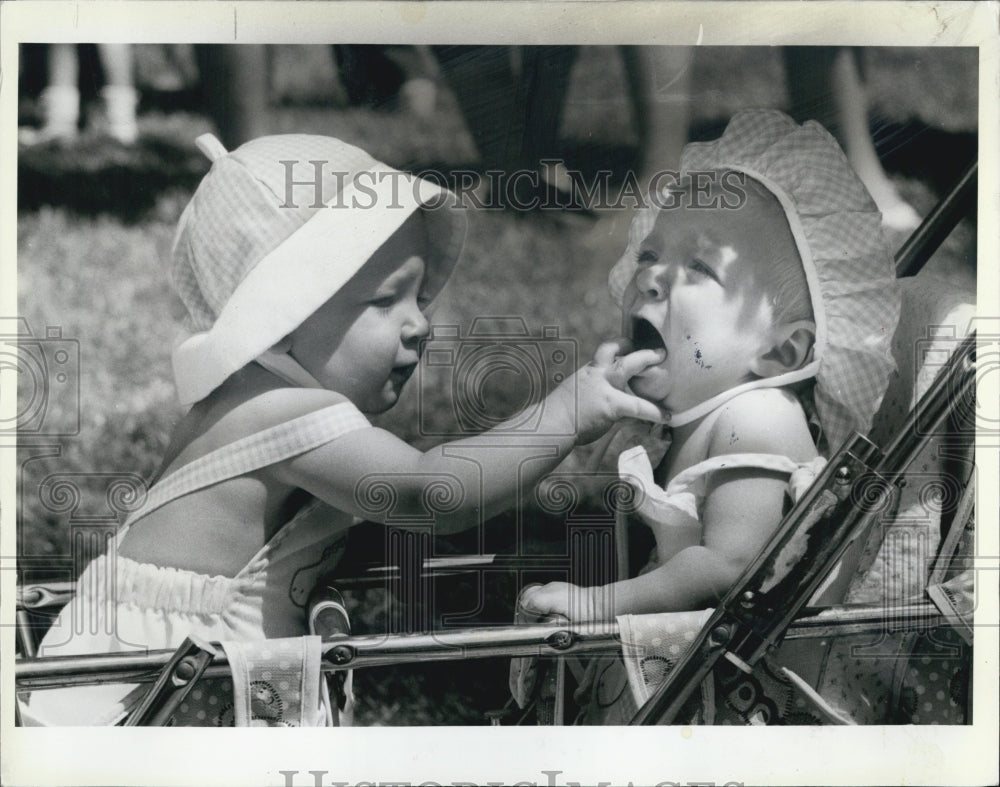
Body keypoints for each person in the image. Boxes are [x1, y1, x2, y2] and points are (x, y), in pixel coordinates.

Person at [21, 132, 666, 727]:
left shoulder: (249, 401)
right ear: (281, 318)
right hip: (150, 703)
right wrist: (563, 416)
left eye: (420, 299)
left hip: (167, 688)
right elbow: (427, 492)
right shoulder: (283, 413)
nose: (420, 324)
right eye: (386, 301)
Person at [518, 109, 901, 626]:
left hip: (734, 671)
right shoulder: (687, 414)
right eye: (650, 253)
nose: (651, 275)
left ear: (780, 354)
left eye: (699, 267)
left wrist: (599, 603)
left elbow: (730, 567)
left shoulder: (758, 418)